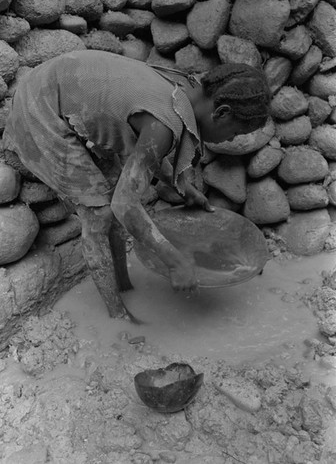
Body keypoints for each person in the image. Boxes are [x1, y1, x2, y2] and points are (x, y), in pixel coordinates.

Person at [3, 50, 271, 321]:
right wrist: (175, 260)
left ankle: (125, 286)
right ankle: (116, 316)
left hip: (68, 95)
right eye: (235, 132)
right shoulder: (165, 122)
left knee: (114, 206)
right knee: (100, 213)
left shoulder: (188, 90)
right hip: (40, 109)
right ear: (222, 113)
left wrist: (182, 186)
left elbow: (147, 150)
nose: (229, 140)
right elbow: (125, 202)